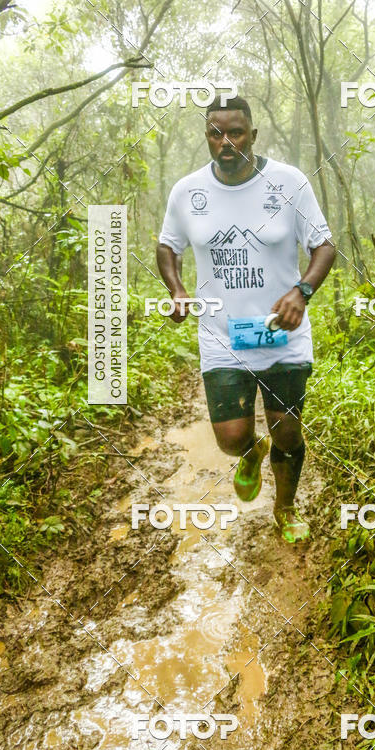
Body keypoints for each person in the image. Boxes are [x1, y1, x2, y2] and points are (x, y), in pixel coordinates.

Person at [156, 95, 335, 543]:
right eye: (215, 133)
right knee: (231, 438)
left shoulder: (289, 183)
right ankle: (251, 451)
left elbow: (324, 246)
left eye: (235, 132)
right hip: (222, 337)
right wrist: (177, 290)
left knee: (288, 432)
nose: (225, 141)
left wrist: (302, 291)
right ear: (207, 138)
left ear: (252, 136)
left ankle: (286, 508)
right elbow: (167, 247)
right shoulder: (187, 192)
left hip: (282, 334)